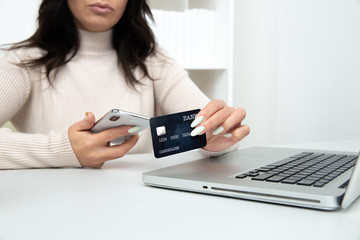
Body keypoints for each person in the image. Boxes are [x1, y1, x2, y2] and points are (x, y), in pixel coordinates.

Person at [0, 0, 250, 169]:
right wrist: (63, 150)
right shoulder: (22, 62)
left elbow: (210, 127)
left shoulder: (153, 62)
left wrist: (217, 137)